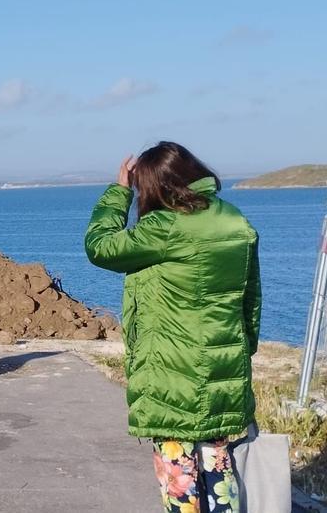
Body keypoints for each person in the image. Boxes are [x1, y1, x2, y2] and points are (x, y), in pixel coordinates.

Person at [85, 141, 260, 513]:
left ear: (159, 186)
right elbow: (250, 298)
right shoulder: (235, 220)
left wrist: (118, 192)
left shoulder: (164, 227)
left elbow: (100, 247)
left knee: (178, 475)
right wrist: (241, 354)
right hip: (222, 365)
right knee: (219, 468)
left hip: (170, 370)